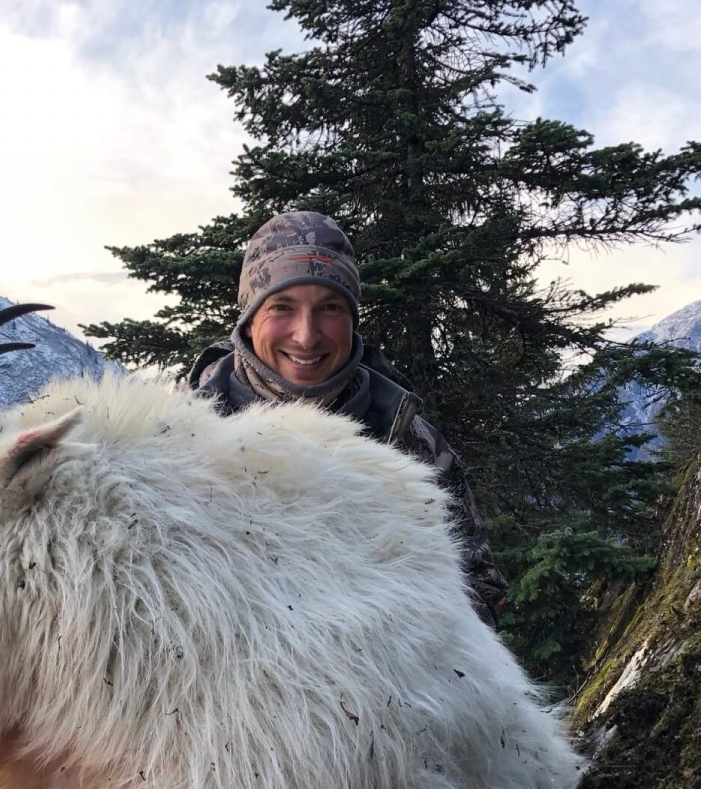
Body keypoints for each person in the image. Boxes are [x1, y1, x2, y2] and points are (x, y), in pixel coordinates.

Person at [188, 210, 507, 625]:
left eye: (330, 308)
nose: (306, 335)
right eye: (282, 307)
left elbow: (480, 591)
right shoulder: (183, 441)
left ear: (352, 318)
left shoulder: (409, 443)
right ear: (249, 322)